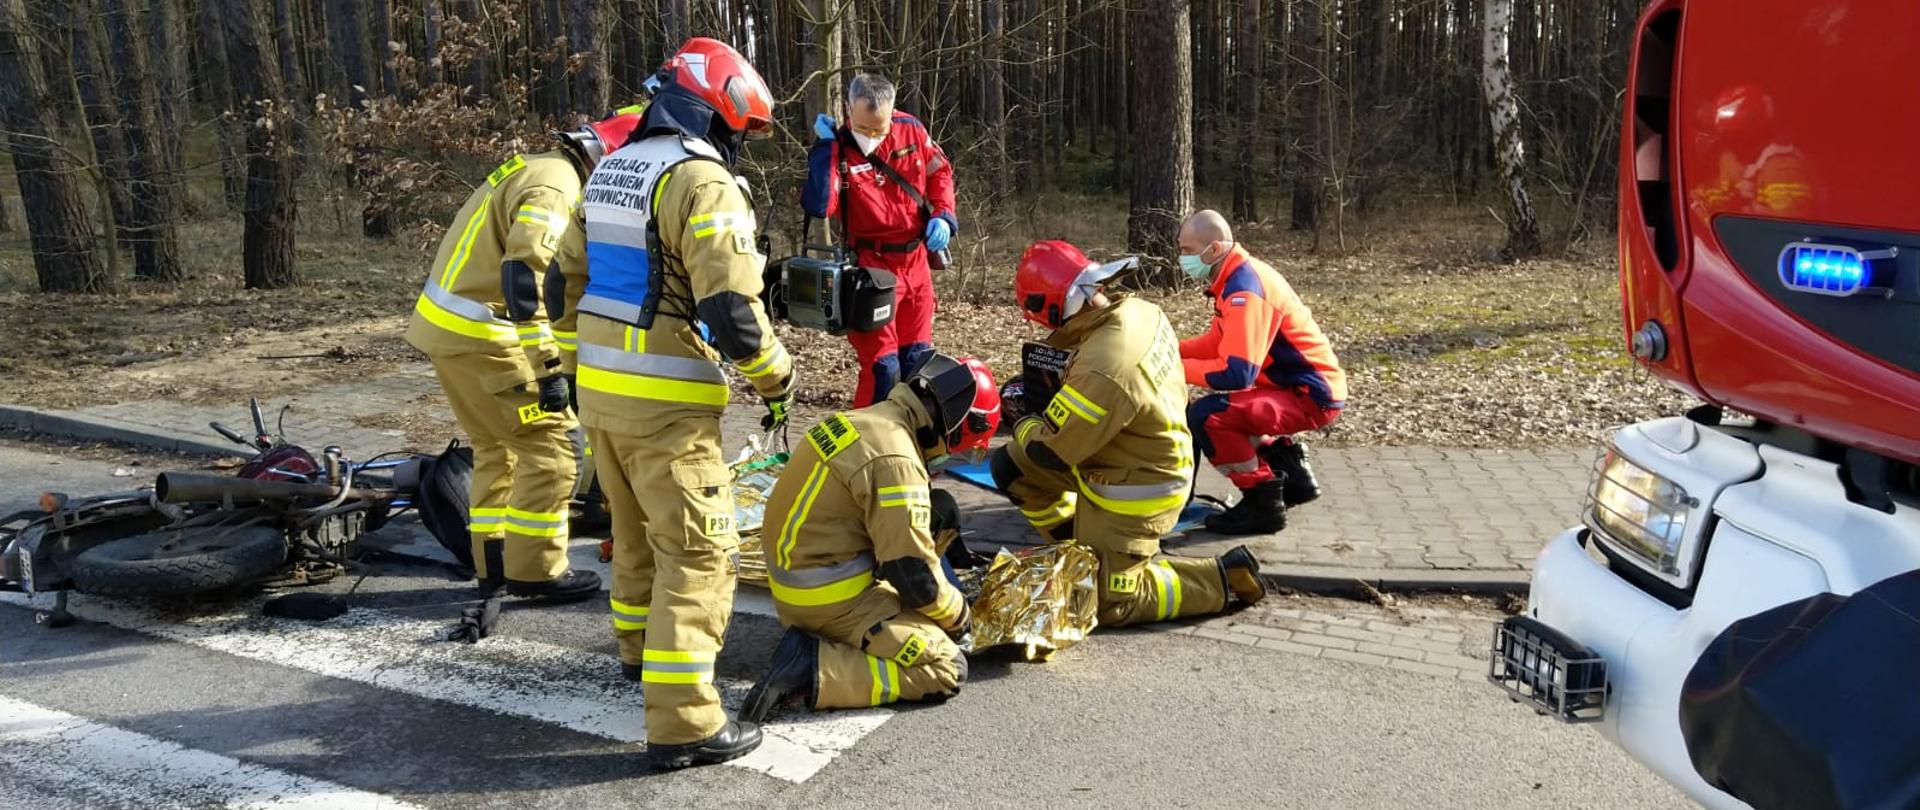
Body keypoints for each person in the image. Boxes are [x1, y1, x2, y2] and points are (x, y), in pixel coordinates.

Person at [575, 38, 792, 771]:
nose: (740, 143)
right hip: (665, 404)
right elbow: (732, 310)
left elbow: (572, 278)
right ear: (716, 105)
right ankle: (685, 722)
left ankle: (639, 656)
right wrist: (777, 378)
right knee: (699, 555)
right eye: (742, 127)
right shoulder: (701, 182)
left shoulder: (614, 167)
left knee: (635, 538)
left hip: (600, 393)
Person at [403, 108, 643, 600]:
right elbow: (525, 278)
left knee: (498, 447)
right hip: (489, 338)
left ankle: (492, 559)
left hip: (449, 332)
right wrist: (550, 366)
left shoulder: (535, 166)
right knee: (553, 448)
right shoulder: (558, 190)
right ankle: (536, 572)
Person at [989, 240, 1267, 629]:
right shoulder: (1138, 311)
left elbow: (1052, 452)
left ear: (1048, 305)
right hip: (1116, 453)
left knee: (1108, 604)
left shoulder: (1105, 368)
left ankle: (1221, 579)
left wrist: (1021, 417)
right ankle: (1081, 552)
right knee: (1010, 467)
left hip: (1138, 486)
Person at [739, 354, 999, 721]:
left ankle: (823, 646)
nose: (953, 459)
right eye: (963, 449)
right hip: (830, 600)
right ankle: (812, 668)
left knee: (939, 508)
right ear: (956, 428)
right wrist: (958, 615)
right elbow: (914, 579)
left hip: (803, 578)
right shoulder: (897, 460)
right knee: (947, 667)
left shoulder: (869, 420)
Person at [1176, 210, 1346, 535]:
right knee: (1229, 409)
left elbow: (1234, 373)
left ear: (1213, 249)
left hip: (1307, 395)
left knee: (1208, 416)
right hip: (1299, 388)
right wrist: (1170, 348)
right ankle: (1293, 477)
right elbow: (1217, 343)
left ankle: (1262, 506)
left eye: (1187, 250)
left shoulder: (1244, 290)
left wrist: (1173, 367)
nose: (1182, 258)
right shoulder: (1235, 276)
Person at [801, 73, 958, 407]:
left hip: (916, 263)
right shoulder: (839, 147)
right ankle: (865, 447)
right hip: (871, 270)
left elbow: (939, 172)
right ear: (847, 110)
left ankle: (909, 446)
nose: (871, 136)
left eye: (879, 128)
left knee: (917, 363)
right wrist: (824, 150)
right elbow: (819, 204)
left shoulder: (911, 129)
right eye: (863, 128)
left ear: (892, 111)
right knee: (883, 369)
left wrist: (944, 214)